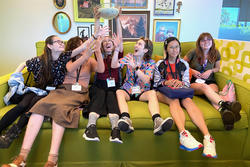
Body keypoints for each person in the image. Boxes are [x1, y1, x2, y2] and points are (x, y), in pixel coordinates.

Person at [1, 11, 108, 167]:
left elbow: (100, 68)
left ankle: (52, 160)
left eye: (82, 44)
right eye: (79, 44)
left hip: (79, 92)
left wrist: (96, 47)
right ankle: (21, 158)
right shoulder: (67, 58)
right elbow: (71, 70)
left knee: (59, 109)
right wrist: (86, 54)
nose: (82, 46)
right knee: (38, 108)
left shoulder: (89, 59)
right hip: (62, 90)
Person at [154, 37, 217, 158]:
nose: (174, 50)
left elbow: (187, 83)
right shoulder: (160, 64)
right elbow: (156, 83)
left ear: (180, 48)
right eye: (171, 47)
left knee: (188, 101)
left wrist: (181, 83)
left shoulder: (184, 64)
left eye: (176, 47)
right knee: (174, 100)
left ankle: (208, 137)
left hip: (180, 90)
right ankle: (183, 134)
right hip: (163, 92)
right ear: (166, 49)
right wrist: (166, 82)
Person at [111, 37, 173, 136]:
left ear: (145, 50)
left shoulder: (151, 63)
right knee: (119, 92)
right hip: (128, 90)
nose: (135, 45)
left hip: (142, 91)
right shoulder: (129, 57)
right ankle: (126, 119)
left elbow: (146, 79)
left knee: (152, 93)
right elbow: (114, 65)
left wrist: (135, 67)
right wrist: (117, 49)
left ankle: (157, 121)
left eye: (139, 44)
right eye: (136, 43)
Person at [183, 32, 241, 130]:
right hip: (194, 82)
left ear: (212, 41)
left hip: (210, 80)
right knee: (205, 88)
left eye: (208, 39)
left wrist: (210, 70)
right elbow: (182, 63)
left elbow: (217, 68)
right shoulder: (193, 52)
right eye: (203, 40)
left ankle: (225, 113)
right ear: (199, 42)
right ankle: (227, 105)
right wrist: (192, 71)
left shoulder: (215, 53)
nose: (206, 42)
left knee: (213, 93)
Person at [82, 9, 124, 143]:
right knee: (99, 95)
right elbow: (97, 38)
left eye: (110, 40)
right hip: (99, 85)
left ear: (114, 44)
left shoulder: (118, 53)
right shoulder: (98, 54)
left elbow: (119, 38)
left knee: (112, 97)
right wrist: (96, 19)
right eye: (104, 41)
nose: (107, 42)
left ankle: (115, 130)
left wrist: (117, 18)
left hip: (113, 87)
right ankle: (91, 127)